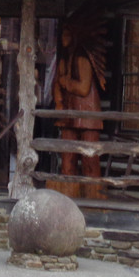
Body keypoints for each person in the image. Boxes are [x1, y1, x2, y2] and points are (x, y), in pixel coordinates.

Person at [52, 19, 106, 198]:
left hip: (87, 114)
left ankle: (93, 194)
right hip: (70, 112)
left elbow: (83, 88)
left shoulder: (82, 57)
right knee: (67, 158)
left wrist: (65, 82)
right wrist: (59, 101)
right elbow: (56, 83)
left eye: (67, 34)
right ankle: (68, 195)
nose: (62, 38)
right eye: (62, 34)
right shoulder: (65, 57)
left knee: (89, 159)